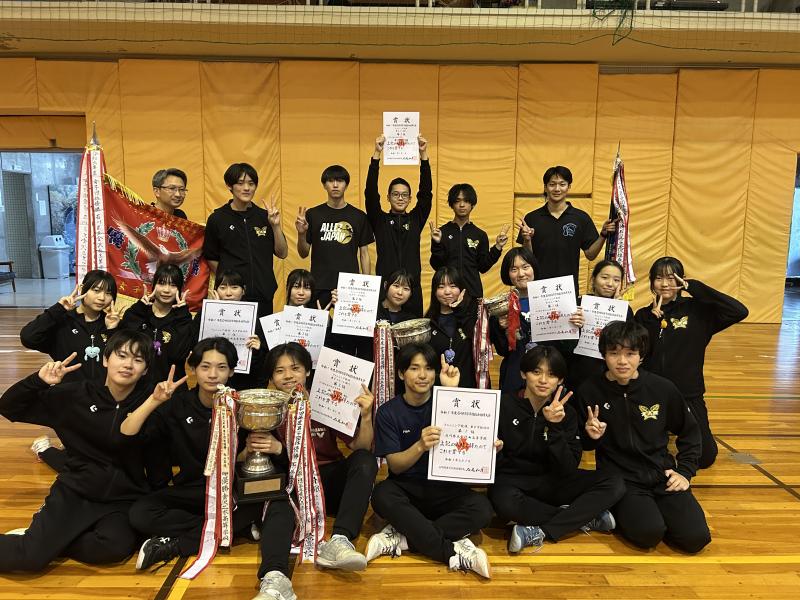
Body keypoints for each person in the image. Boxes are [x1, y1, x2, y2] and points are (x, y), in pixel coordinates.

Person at [0, 330, 156, 572]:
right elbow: (9, 408)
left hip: (122, 499)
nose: (128, 365)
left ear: (145, 370)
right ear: (106, 359)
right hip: (76, 490)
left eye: (138, 360)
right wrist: (38, 381)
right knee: (30, 558)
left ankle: (52, 541)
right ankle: (39, 542)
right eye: (122, 355)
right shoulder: (74, 396)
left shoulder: (152, 403)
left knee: (114, 548)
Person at [252, 343, 378, 600]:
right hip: (293, 486)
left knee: (365, 460)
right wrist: (278, 449)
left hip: (327, 480)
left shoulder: (325, 401)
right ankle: (275, 579)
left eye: (295, 368)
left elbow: (361, 446)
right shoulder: (268, 410)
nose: (288, 376)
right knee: (278, 503)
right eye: (279, 371)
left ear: (308, 371)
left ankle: (339, 541)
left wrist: (366, 416)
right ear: (271, 378)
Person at [124, 337, 262, 570]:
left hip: (230, 493)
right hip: (191, 490)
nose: (213, 374)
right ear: (194, 369)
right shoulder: (177, 405)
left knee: (257, 503)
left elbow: (243, 459)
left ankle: (175, 546)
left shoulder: (242, 407)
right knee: (140, 514)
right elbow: (130, 435)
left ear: (231, 371)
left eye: (221, 367)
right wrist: (154, 401)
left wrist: (248, 451)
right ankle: (230, 528)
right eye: (205, 367)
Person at [579, 320, 711, 553]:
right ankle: (621, 509)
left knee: (695, 538)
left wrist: (684, 472)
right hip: (621, 480)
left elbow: (690, 432)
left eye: (630, 353)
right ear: (603, 355)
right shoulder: (589, 390)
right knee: (648, 533)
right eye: (614, 353)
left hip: (662, 474)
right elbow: (583, 444)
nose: (622, 361)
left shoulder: (662, 388)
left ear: (641, 356)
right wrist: (590, 436)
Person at [367, 344, 495, 578]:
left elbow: (472, 441)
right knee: (381, 495)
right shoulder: (388, 412)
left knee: (483, 509)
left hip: (446, 488)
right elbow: (395, 466)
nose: (423, 375)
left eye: (428, 368)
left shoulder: (449, 403)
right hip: (407, 487)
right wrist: (420, 446)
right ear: (401, 374)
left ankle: (405, 536)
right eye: (414, 368)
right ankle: (452, 551)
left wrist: (487, 447)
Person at [488, 345, 625, 553]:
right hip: (514, 483)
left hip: (554, 481)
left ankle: (542, 529)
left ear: (560, 380)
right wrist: (495, 452)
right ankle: (583, 518)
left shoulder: (567, 413)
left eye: (551, 375)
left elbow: (568, 468)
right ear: (523, 374)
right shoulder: (502, 405)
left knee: (614, 482)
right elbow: (493, 467)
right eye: (536, 372)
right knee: (503, 503)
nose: (543, 380)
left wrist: (554, 426)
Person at [634, 257, 748, 469]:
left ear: (681, 280)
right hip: (652, 393)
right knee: (644, 457)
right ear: (651, 282)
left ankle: (676, 430)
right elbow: (638, 354)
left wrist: (693, 287)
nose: (665, 284)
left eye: (671, 278)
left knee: (705, 457)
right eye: (659, 278)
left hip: (688, 393)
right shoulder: (643, 315)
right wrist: (652, 322)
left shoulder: (697, 311)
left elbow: (739, 311)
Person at [21, 269, 122, 468]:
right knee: (90, 463)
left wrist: (113, 330)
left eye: (108, 293)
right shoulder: (63, 321)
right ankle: (46, 449)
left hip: (105, 402)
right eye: (96, 290)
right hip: (70, 401)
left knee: (111, 458)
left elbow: (121, 360)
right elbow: (28, 337)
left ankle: (69, 447)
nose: (102, 297)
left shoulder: (112, 322)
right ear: (83, 289)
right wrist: (58, 309)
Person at [489, 248, 584, 393]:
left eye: (525, 267)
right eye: (514, 269)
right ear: (507, 274)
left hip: (548, 376)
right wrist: (502, 329)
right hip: (515, 377)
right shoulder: (501, 306)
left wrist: (575, 325)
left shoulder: (556, 299)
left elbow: (568, 348)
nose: (521, 274)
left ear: (534, 268)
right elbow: (502, 350)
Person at [202, 163, 288, 319]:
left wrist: (275, 226)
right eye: (240, 183)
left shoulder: (265, 216)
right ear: (230, 186)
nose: (246, 188)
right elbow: (211, 257)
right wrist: (229, 282)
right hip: (232, 298)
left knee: (259, 335)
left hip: (263, 294)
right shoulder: (217, 218)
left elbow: (282, 253)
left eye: (251, 183)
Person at [517, 165, 616, 294]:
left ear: (569, 187)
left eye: (562, 184)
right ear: (545, 187)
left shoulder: (581, 218)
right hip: (539, 288)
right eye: (552, 184)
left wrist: (603, 235)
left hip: (568, 290)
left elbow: (590, 255)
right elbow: (526, 258)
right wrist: (527, 239)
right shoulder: (532, 218)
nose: (557, 189)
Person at [366, 134, 432, 317]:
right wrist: (376, 155)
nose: (400, 198)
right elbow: (370, 194)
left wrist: (423, 155)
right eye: (395, 194)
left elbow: (426, 194)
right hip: (385, 289)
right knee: (381, 332)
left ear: (410, 199)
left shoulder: (415, 219)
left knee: (413, 333)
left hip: (412, 290)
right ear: (388, 197)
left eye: (404, 195)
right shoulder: (380, 220)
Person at [295, 164, 374, 309]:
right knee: (318, 323)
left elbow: (364, 254)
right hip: (319, 284)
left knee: (348, 324)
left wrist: (366, 286)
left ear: (346, 185)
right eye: (331, 181)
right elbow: (303, 253)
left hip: (349, 286)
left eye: (340, 181)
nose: (335, 185)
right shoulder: (312, 214)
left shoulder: (359, 216)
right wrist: (301, 233)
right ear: (324, 185)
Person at [429, 183, 507, 299]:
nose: (462, 205)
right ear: (452, 204)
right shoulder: (441, 233)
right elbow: (436, 265)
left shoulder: (480, 235)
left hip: (472, 293)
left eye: (466, 201)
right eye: (457, 201)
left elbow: (483, 266)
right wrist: (436, 244)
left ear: (472, 204)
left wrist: (498, 247)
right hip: (448, 293)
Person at [121, 263, 194, 385]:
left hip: (170, 387)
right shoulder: (138, 312)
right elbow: (125, 342)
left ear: (180, 289)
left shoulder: (183, 319)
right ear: (154, 285)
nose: (166, 290)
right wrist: (140, 309)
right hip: (136, 385)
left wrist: (182, 315)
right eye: (161, 283)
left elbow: (179, 354)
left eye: (173, 285)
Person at [191, 269, 265, 391]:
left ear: (243, 290)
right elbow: (194, 342)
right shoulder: (205, 312)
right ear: (215, 290)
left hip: (244, 382)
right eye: (223, 288)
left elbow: (262, 363)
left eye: (234, 287)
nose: (228, 293)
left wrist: (258, 349)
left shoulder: (253, 317)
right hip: (213, 379)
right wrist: (214, 309)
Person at [568, 259, 634, 392]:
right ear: (593, 279)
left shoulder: (625, 310)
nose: (610, 284)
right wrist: (573, 325)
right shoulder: (577, 303)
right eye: (604, 277)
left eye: (616, 280)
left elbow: (629, 343)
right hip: (577, 369)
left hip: (609, 373)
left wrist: (617, 309)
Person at [425, 267, 477, 388]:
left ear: (461, 289)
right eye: (441, 287)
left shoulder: (471, 319)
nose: (447, 292)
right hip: (437, 388)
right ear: (434, 291)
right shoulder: (428, 323)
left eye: (453, 286)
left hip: (468, 388)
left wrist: (460, 310)